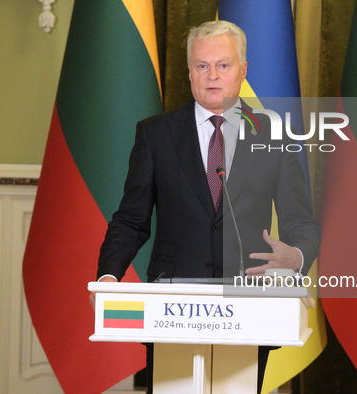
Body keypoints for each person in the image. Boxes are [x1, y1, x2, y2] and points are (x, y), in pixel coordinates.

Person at [94, 20, 321, 393]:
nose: (212, 75)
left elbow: (302, 223)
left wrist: (295, 256)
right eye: (202, 66)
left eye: (223, 65)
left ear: (243, 71)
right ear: (189, 72)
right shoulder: (156, 133)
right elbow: (131, 220)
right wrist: (107, 277)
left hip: (250, 306)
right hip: (171, 309)